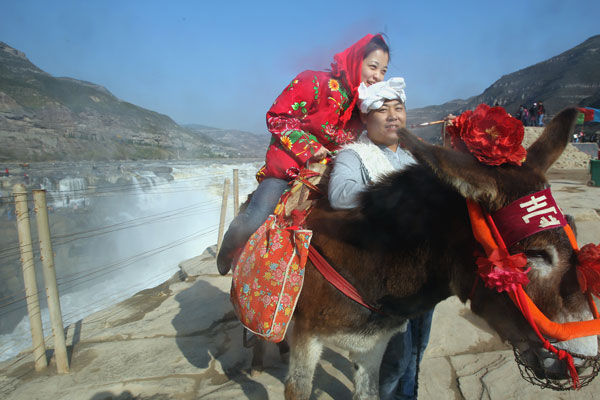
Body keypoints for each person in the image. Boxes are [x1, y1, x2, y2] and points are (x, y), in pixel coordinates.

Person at [217, 33, 390, 274]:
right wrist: (310, 148)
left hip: (329, 177)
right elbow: (277, 117)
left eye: (383, 71)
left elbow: (374, 136)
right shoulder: (313, 81)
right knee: (256, 217)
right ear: (355, 60)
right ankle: (229, 245)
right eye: (373, 67)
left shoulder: (362, 108)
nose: (378, 76)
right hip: (288, 171)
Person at [327, 78, 434, 400]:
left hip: (425, 274)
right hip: (385, 279)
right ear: (365, 118)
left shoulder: (414, 155)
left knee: (418, 349)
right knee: (392, 361)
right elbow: (340, 195)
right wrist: (398, 191)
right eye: (381, 110)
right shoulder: (354, 156)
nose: (392, 116)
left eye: (398, 108)